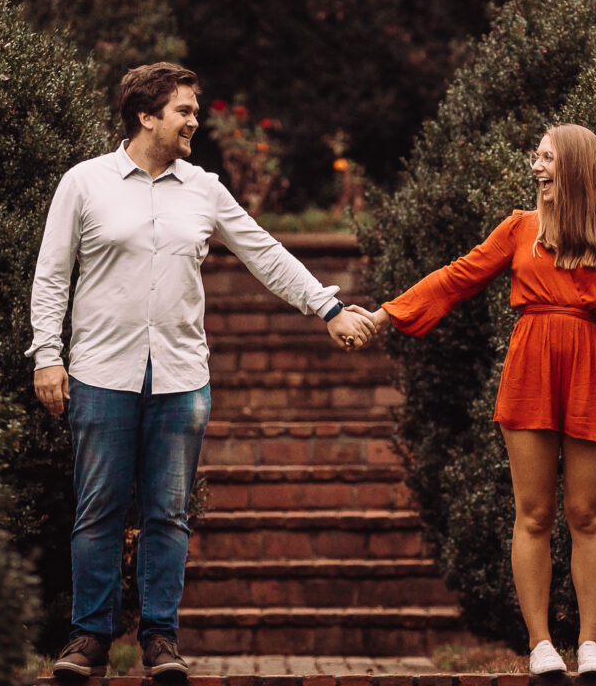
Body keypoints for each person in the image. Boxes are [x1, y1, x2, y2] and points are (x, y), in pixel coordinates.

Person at [29, 62, 380, 684]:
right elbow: (53, 275)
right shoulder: (85, 184)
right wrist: (47, 355)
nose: (196, 121)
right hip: (99, 373)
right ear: (146, 115)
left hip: (181, 378)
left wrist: (326, 306)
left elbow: (264, 253)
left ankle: (161, 640)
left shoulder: (204, 188)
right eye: (184, 111)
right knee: (98, 512)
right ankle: (89, 639)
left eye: (194, 110)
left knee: (168, 512)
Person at [363, 124, 596, 681]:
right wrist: (385, 315)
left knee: (587, 514)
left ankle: (590, 645)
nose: (536, 167)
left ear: (574, 167)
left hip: (593, 369)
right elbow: (456, 279)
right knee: (535, 513)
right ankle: (542, 644)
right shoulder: (520, 229)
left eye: (546, 158)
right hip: (531, 370)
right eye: (536, 157)